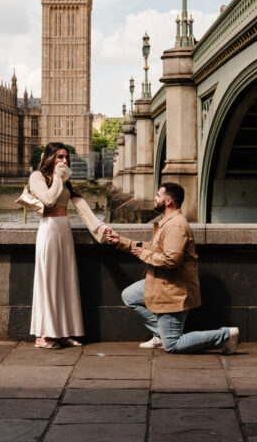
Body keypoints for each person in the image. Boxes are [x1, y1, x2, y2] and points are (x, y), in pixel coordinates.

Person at [103, 183, 239, 354]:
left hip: (173, 289)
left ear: (168, 201)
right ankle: (160, 334)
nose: (155, 198)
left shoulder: (176, 226)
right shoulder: (167, 222)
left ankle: (225, 335)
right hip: (162, 283)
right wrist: (122, 242)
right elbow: (154, 248)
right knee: (130, 295)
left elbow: (171, 261)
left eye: (158, 196)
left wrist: (143, 254)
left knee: (173, 345)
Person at [28, 141, 106, 349]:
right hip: (49, 230)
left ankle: (61, 333)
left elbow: (80, 205)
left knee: (65, 283)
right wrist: (58, 177)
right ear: (49, 158)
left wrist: (101, 229)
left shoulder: (64, 179)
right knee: (48, 283)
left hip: (64, 230)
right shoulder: (37, 177)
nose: (64, 161)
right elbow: (49, 200)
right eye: (59, 157)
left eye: (66, 157)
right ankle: (43, 335)